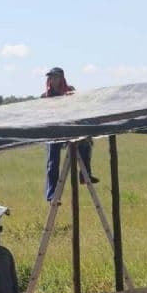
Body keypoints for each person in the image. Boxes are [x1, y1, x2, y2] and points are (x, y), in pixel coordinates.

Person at [42, 67, 97, 201]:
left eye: (55, 77)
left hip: (69, 129)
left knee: (86, 142)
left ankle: (85, 175)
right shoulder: (45, 96)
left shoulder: (70, 91)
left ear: (61, 78)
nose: (53, 80)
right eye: (51, 77)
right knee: (53, 161)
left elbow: (78, 109)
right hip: (53, 132)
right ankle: (52, 194)